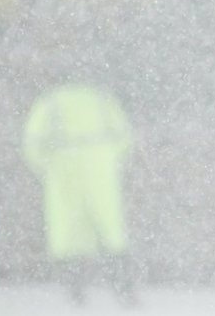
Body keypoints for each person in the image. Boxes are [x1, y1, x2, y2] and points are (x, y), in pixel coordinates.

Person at [22, 82, 138, 306]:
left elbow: (33, 143)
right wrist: (110, 159)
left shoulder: (50, 102)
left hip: (63, 169)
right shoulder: (103, 99)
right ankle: (123, 289)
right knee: (111, 228)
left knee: (68, 230)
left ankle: (75, 292)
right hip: (100, 168)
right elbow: (124, 137)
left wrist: (47, 167)